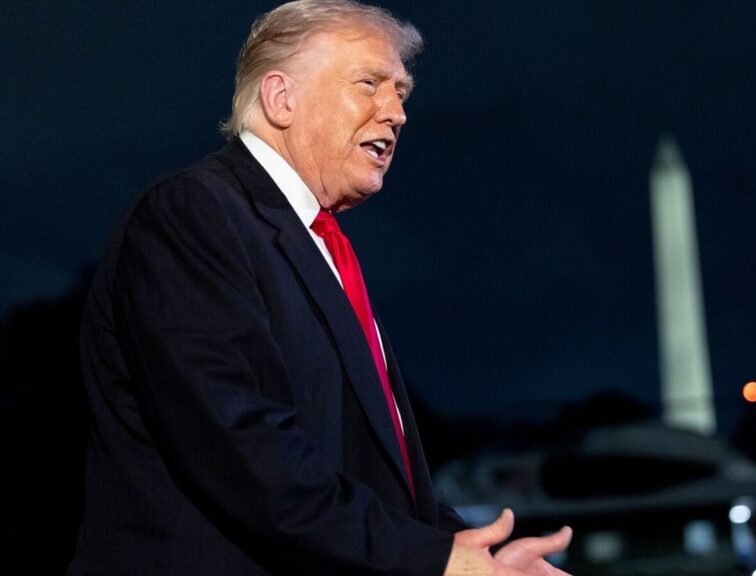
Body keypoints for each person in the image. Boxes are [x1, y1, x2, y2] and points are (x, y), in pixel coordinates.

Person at [67, 1, 573, 574]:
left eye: (401, 92)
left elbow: (367, 475)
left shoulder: (321, 246)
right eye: (369, 84)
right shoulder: (193, 213)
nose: (397, 113)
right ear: (281, 98)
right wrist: (435, 560)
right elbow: (241, 446)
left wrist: (482, 555)